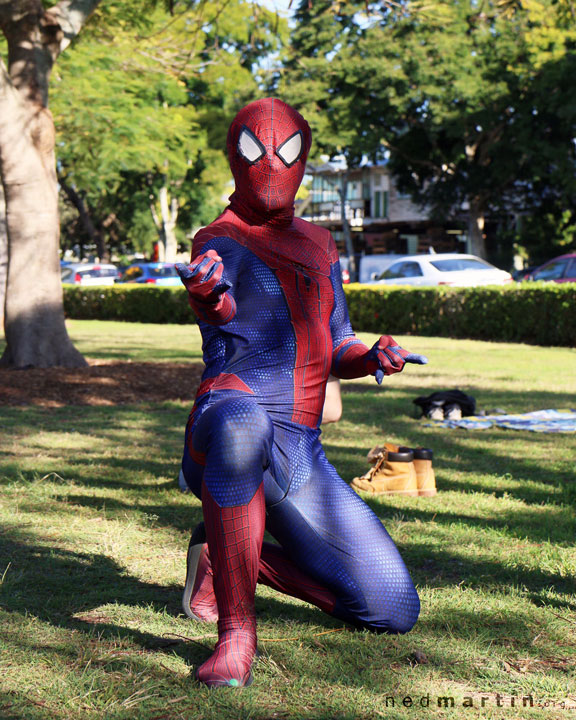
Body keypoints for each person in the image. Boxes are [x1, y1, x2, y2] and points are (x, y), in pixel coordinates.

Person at [176, 98, 428, 688]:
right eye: (253, 151)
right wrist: (208, 295)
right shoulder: (218, 238)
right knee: (243, 427)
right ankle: (237, 634)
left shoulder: (319, 244)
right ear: (235, 156)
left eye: (284, 151)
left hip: (299, 451)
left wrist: (370, 357)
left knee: (392, 610)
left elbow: (335, 340)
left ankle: (230, 553)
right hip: (227, 420)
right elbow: (223, 310)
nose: (270, 163)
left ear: (303, 157)